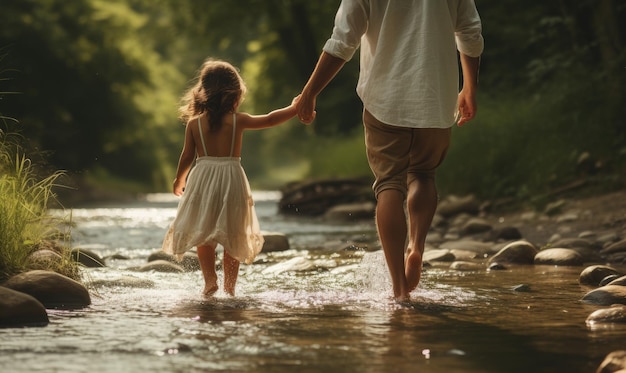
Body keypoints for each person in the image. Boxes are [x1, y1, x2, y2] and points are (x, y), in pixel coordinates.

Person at [296, 0, 484, 301]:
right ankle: (416, 247)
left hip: (385, 98)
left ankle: (399, 289)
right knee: (423, 174)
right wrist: (470, 87)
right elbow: (471, 33)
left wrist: (309, 93)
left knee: (389, 185)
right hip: (436, 95)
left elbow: (342, 42)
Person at [162, 58, 299, 297]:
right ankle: (230, 288)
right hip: (231, 177)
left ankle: (209, 281)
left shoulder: (194, 124)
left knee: (203, 231)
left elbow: (187, 156)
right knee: (233, 233)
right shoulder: (238, 121)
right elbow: (269, 119)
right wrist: (294, 108)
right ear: (234, 93)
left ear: (202, 91)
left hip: (202, 177)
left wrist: (179, 179)